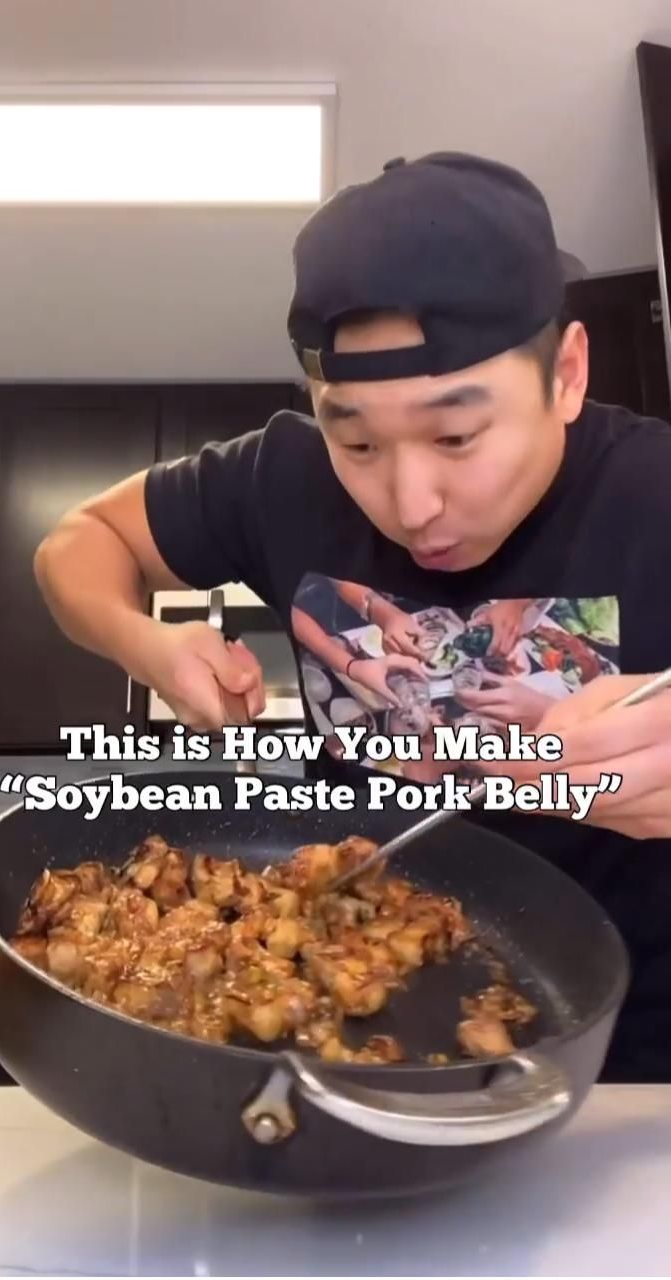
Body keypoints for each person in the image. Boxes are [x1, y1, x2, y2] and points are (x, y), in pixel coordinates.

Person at [33, 150, 671, 1083]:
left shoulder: (652, 491)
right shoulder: (278, 478)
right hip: (342, 1025)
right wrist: (149, 643)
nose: (410, 502)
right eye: (357, 438)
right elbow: (80, 543)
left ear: (566, 375)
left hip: (628, 1065)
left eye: (457, 436)